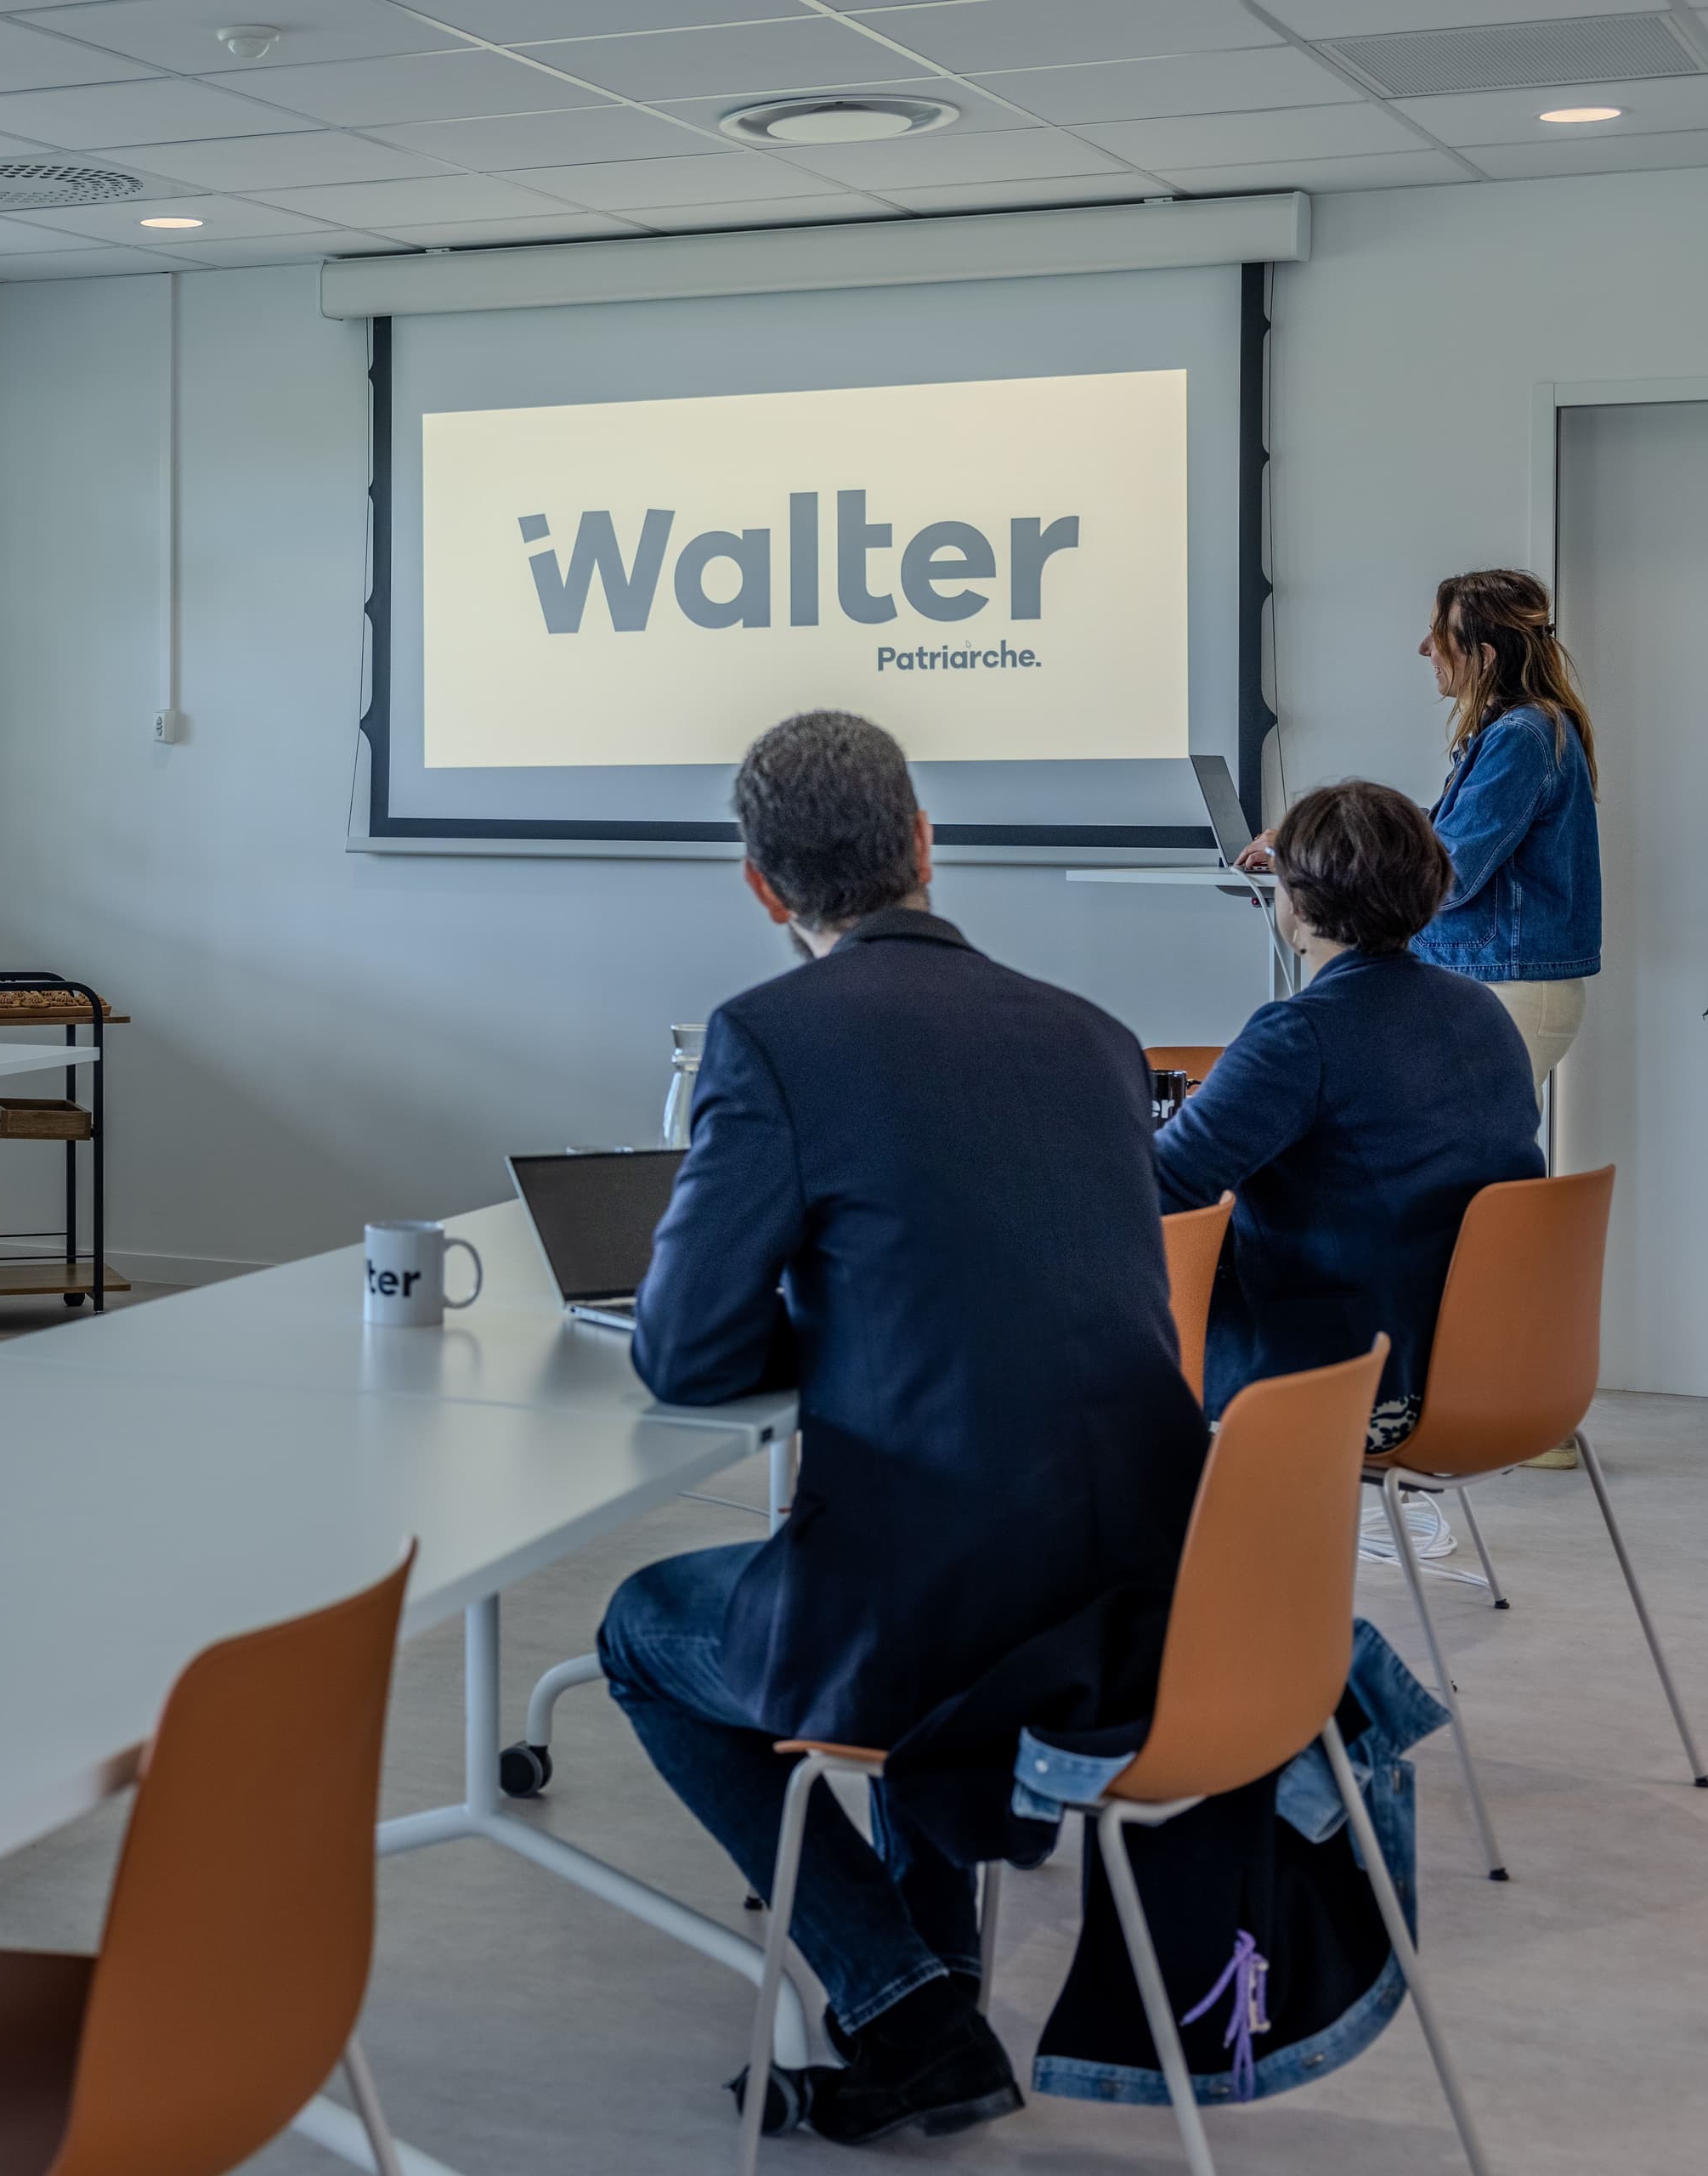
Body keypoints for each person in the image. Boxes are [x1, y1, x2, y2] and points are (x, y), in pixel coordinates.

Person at [597, 712, 1209, 2145]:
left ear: (762, 888)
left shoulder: (771, 1039)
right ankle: (930, 1983)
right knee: (932, 1548)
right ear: (926, 844)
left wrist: (829, 1322)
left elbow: (683, 1350)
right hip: (1151, 1604)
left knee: (642, 1629)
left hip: (948, 1630)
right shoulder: (1095, 1037)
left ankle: (907, 2001)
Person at [1156, 779, 1542, 1448]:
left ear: (1299, 900)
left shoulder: (1300, 1034)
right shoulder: (1483, 1010)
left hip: (1343, 1381)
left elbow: (1161, 1185)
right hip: (1487, 1370)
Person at [1246, 569, 1600, 1089]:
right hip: (1500, 982)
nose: (1423, 648)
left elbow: (1449, 873)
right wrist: (1307, 841)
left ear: (1484, 655)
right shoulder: (1517, 731)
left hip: (1504, 983)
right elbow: (1437, 832)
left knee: (1463, 1159)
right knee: (1480, 1158)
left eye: (1437, 633)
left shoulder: (1520, 737)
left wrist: (1310, 861)